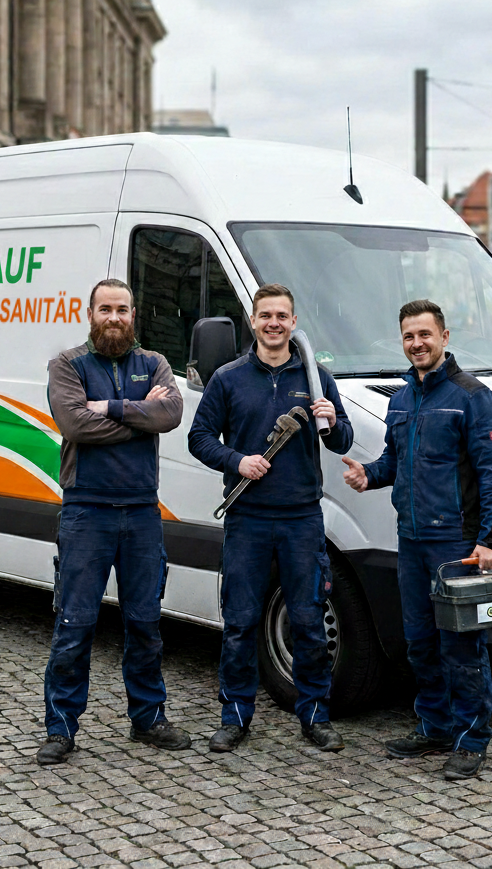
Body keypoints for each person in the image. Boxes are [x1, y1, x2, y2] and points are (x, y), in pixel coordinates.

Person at [342, 300, 492, 781]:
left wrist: (489, 539)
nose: (417, 344)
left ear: (444, 337)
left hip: (454, 544)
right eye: (409, 337)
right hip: (410, 540)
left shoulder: (472, 397)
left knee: (461, 644)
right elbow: (394, 462)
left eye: (425, 335)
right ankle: (433, 726)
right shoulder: (400, 399)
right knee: (419, 641)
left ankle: (471, 739)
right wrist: (367, 476)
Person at [187, 283, 354, 754]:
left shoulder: (317, 377)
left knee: (308, 621)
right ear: (254, 321)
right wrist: (236, 461)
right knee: (240, 621)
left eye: (282, 316)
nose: (274, 323)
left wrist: (334, 420)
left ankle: (315, 716)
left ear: (293, 323)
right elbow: (198, 438)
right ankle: (235, 716)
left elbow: (340, 442)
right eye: (266, 316)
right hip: (248, 519)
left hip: (302, 519)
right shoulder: (229, 378)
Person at [37, 279, 189, 766]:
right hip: (87, 511)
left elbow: (170, 414)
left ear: (133, 314)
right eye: (106, 309)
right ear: (91, 313)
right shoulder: (67, 364)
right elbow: (75, 423)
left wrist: (113, 407)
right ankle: (61, 728)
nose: (114, 318)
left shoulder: (155, 363)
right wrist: (137, 416)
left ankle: (148, 718)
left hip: (142, 511)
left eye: (122, 309)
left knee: (144, 622)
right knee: (74, 622)